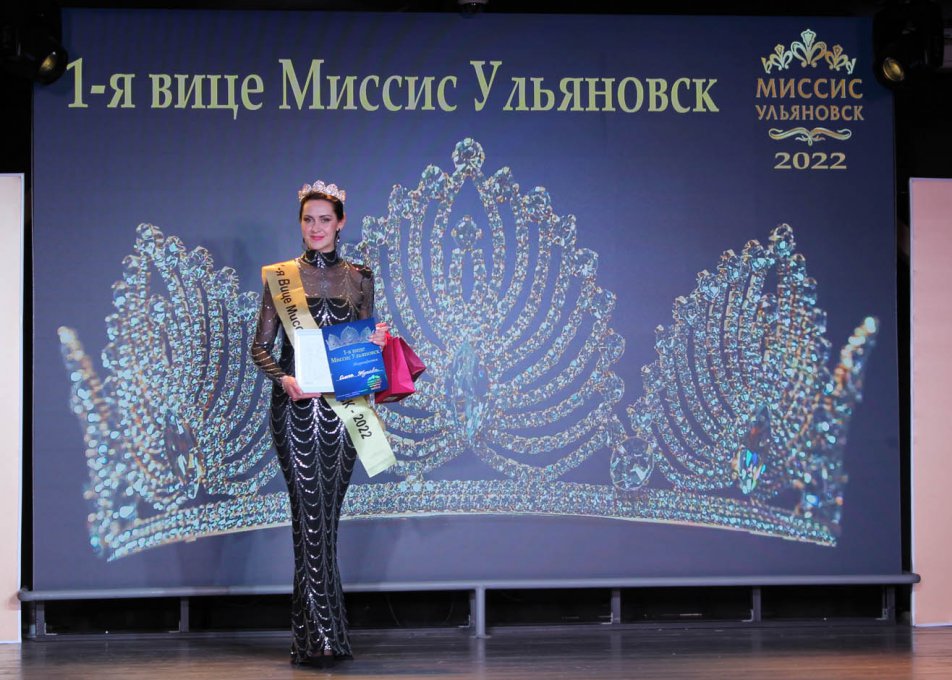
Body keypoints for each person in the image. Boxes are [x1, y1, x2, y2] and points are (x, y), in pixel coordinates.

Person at [250, 180, 388, 667]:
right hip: (295, 409)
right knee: (307, 517)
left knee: (326, 521)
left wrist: (377, 342)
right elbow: (260, 348)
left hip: (342, 407)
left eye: (324, 219)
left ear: (340, 223)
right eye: (308, 219)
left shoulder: (361, 277)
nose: (316, 227)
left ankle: (319, 637)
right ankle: (322, 637)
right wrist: (284, 379)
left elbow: (364, 343)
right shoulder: (281, 278)